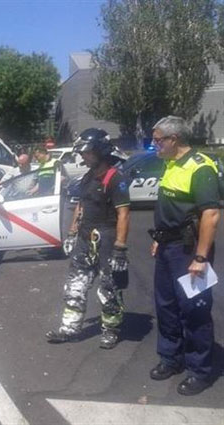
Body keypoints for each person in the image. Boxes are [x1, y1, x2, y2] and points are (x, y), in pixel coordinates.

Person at [148, 116, 220, 396]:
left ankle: (199, 371)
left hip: (189, 251)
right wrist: (159, 240)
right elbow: (171, 210)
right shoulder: (171, 163)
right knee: (166, 306)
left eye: (158, 140)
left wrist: (201, 258)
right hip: (167, 247)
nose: (154, 144)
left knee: (194, 311)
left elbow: (211, 215)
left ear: (174, 139)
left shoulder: (201, 167)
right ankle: (171, 358)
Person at [46, 128, 130, 349]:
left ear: (100, 151)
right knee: (75, 286)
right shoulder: (87, 178)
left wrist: (120, 247)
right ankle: (69, 328)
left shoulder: (115, 178)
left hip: (108, 239)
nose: (83, 156)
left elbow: (123, 213)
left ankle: (111, 330)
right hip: (85, 238)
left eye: (87, 152)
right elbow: (80, 206)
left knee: (108, 288)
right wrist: (72, 233)